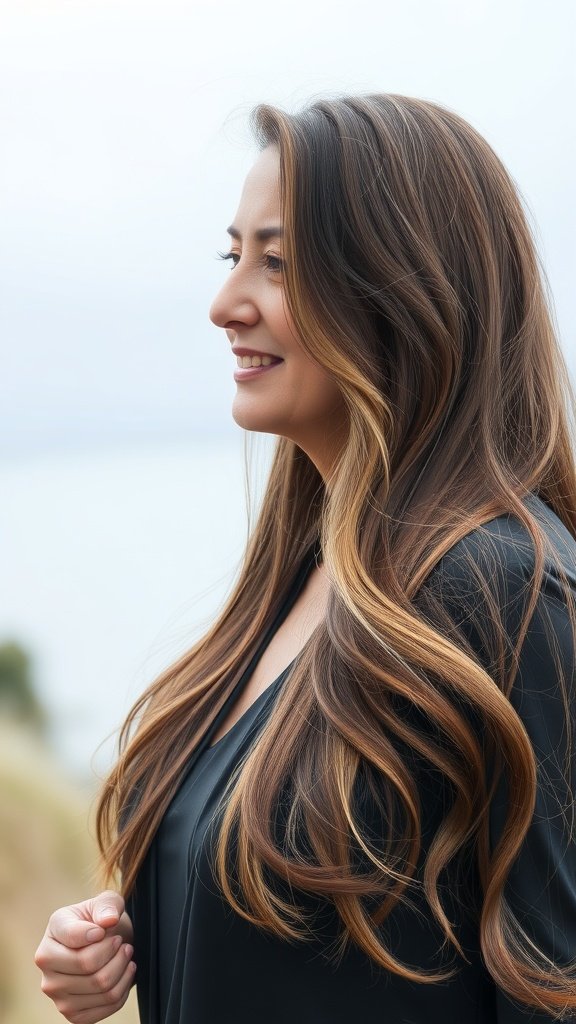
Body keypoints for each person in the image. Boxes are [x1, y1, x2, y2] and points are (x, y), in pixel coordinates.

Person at [35, 93, 576, 1024]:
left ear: (403, 287)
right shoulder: (306, 580)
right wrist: (134, 942)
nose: (224, 303)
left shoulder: (502, 592)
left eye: (278, 263)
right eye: (231, 254)